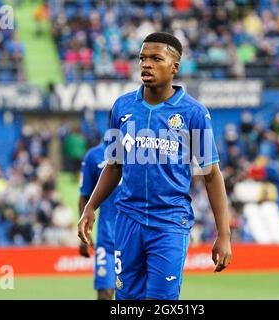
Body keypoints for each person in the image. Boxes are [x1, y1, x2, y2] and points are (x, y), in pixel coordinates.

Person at [78, 32, 232, 300]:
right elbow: (114, 166)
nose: (145, 64)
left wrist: (224, 234)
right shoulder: (122, 107)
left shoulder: (194, 113)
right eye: (142, 58)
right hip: (127, 221)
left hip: (170, 222)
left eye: (155, 58)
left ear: (174, 67)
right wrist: (91, 206)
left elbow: (211, 175)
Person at [78, 112, 119, 300]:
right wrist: (84, 235)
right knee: (104, 294)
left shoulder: (141, 155)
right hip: (107, 238)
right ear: (111, 121)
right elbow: (84, 197)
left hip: (135, 238)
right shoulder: (94, 156)